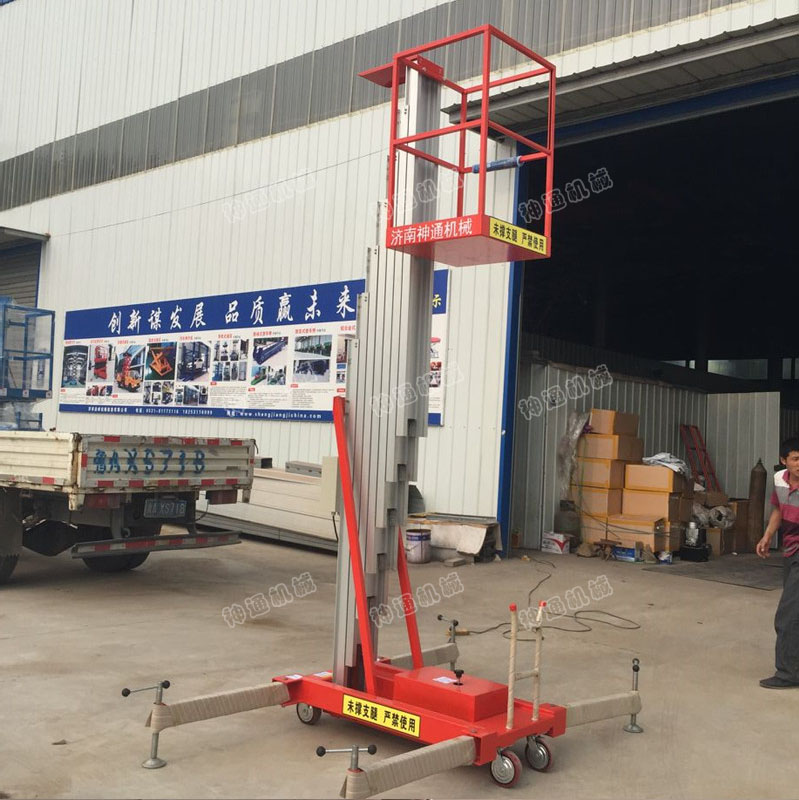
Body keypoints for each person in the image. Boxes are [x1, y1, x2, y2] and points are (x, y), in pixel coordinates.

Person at [757, 436, 799, 688]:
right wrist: (767, 535)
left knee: (787, 615)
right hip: (790, 550)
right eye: (795, 459)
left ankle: (788, 673)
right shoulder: (779, 480)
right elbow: (778, 510)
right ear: (784, 460)